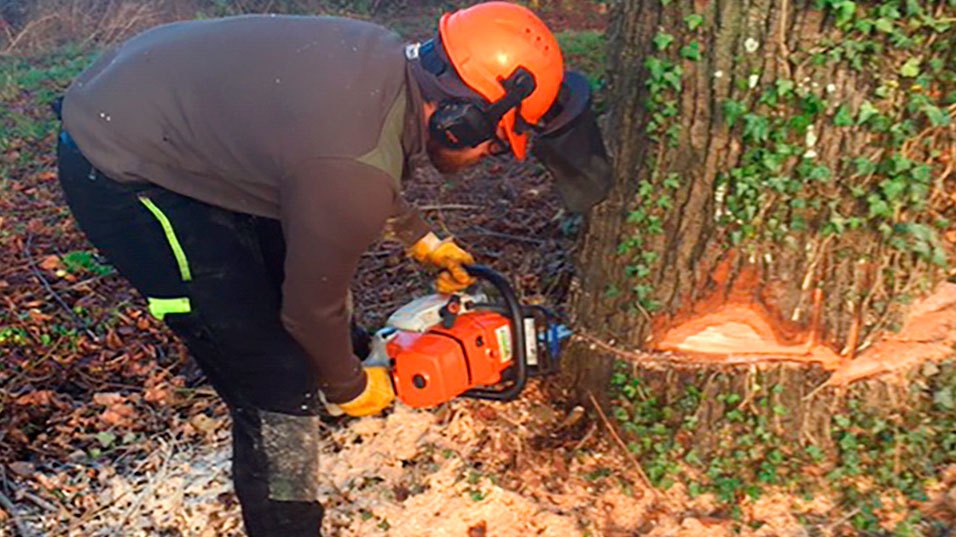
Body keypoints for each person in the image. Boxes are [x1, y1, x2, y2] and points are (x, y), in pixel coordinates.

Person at [54, 2, 611, 535]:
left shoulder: (381, 61)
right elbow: (309, 305)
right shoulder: (352, 169)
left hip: (172, 118)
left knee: (302, 301)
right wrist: (348, 386)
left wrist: (422, 239)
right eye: (495, 145)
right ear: (460, 122)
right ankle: (287, 523)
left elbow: (337, 162)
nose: (489, 156)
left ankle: (333, 393)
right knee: (274, 376)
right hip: (121, 163)